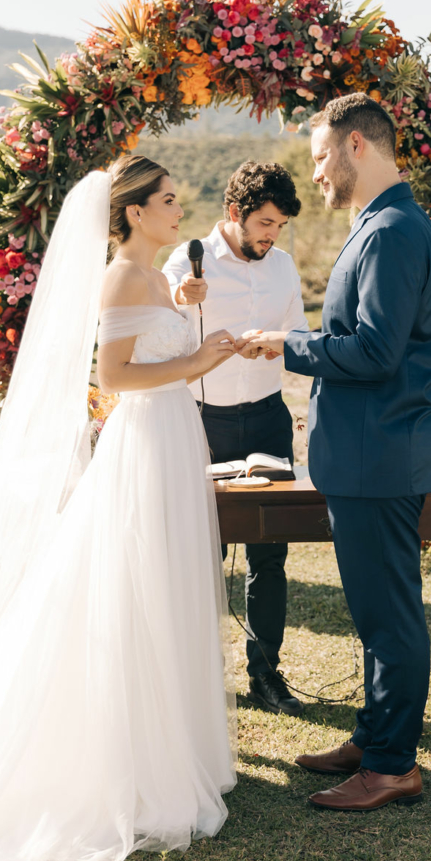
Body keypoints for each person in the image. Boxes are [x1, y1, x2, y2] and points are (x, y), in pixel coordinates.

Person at [0, 155, 240, 861]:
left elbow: (152, 345)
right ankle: (132, 765)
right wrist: (196, 357)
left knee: (164, 586)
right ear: (135, 211)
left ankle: (167, 746)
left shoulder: (150, 277)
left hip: (172, 441)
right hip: (146, 443)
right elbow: (112, 378)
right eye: (169, 200)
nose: (181, 209)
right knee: (135, 587)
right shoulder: (120, 277)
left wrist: (186, 316)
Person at [245, 93, 431, 811]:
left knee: (390, 618)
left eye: (321, 156)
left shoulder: (392, 232)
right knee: (374, 612)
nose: (318, 173)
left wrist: (287, 345)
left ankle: (393, 764)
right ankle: (374, 734)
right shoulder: (382, 224)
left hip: (379, 455)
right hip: (367, 453)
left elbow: (375, 351)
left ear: (358, 145)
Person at [163, 161, 308, 717]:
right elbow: (161, 319)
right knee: (202, 556)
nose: (272, 235)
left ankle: (266, 676)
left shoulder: (284, 267)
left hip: (268, 418)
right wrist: (181, 295)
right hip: (203, 422)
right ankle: (196, 684)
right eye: (264, 223)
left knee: (270, 556)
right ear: (234, 214)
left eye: (280, 226)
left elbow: (295, 333)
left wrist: (277, 344)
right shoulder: (189, 259)